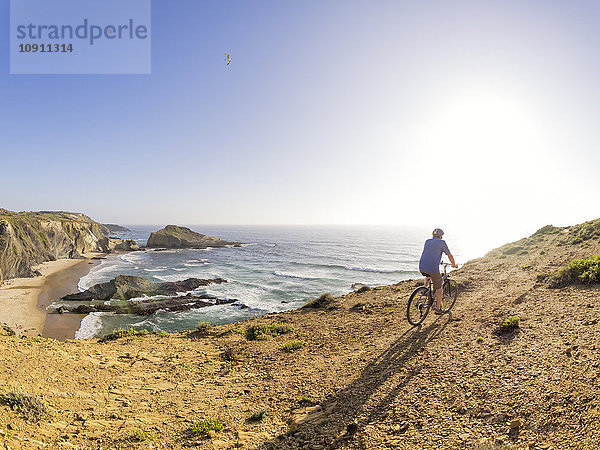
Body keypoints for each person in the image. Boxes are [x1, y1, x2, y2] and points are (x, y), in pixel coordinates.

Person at [418, 228, 457, 313]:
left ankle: (425, 290)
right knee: (439, 289)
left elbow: (430, 253)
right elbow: (449, 255)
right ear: (441, 236)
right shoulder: (442, 242)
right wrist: (453, 264)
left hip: (421, 266)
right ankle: (438, 309)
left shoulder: (427, 241)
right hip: (432, 268)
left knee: (428, 275)